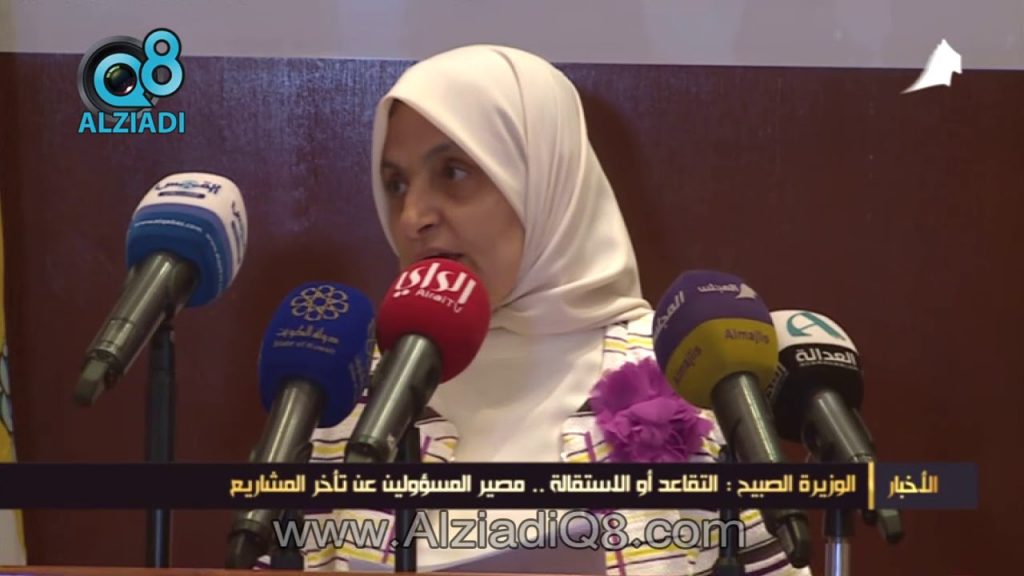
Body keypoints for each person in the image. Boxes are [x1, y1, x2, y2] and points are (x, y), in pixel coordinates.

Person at [290, 44, 811, 575]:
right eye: (396, 185)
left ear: (545, 176)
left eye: (453, 171)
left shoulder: (690, 379)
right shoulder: (351, 400)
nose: (411, 217)